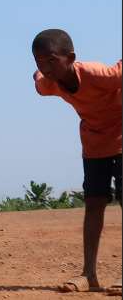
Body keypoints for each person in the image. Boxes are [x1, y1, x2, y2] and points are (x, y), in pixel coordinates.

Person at [32, 29, 122, 294]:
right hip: (95, 143)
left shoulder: (97, 74)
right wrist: (38, 74)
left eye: (51, 61)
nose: (45, 68)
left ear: (70, 57)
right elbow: (38, 83)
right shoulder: (49, 83)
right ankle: (89, 275)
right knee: (94, 203)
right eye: (39, 62)